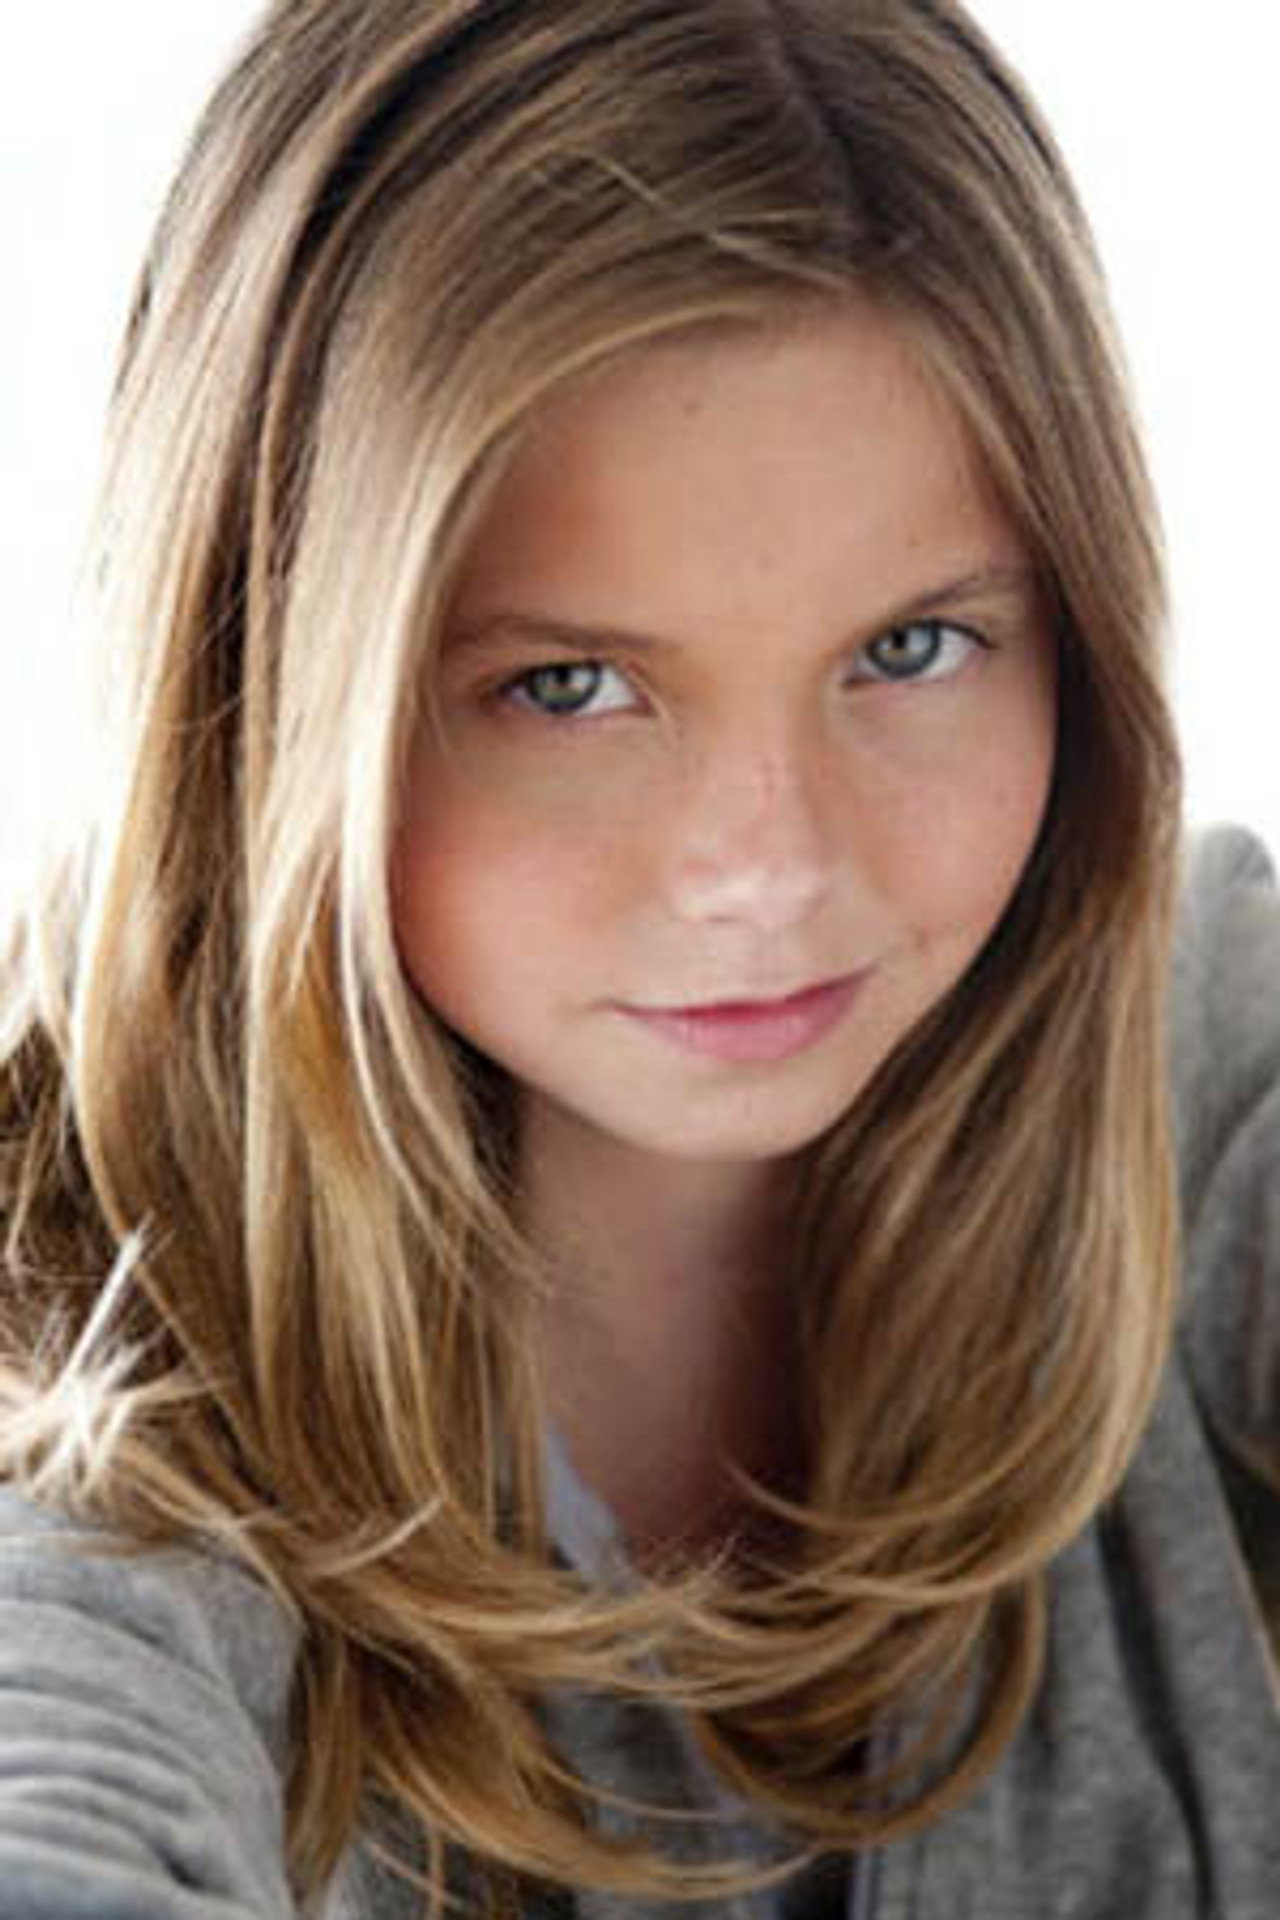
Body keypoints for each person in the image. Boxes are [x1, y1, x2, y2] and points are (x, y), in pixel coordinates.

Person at [0, 0, 1276, 1914]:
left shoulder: (1198, 1055)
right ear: (268, 691)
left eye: (912, 649)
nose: (769, 869)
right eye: (569, 687)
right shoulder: (68, 1377)